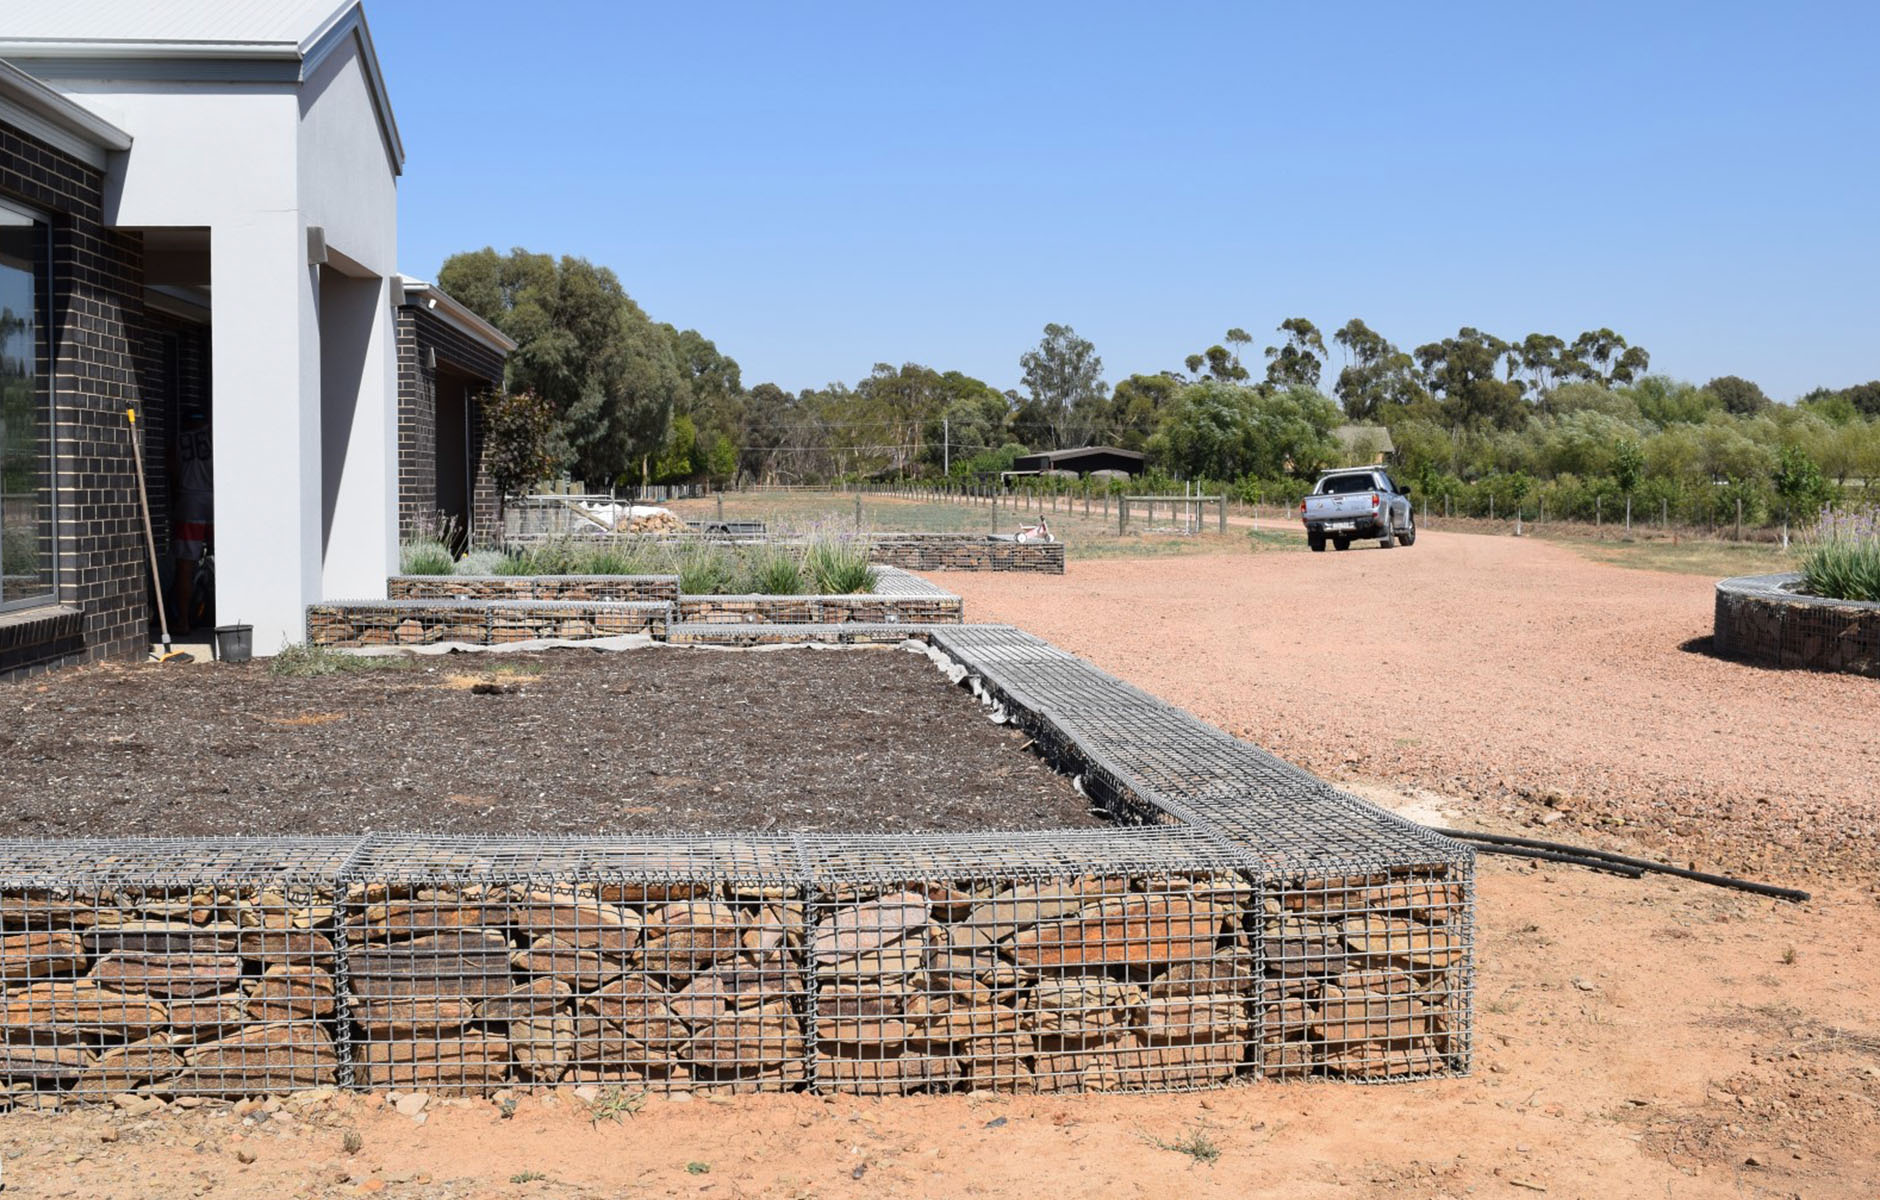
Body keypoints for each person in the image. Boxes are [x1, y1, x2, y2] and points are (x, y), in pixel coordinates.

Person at [171, 409, 212, 636]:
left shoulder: (179, 440)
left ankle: (184, 621)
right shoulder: (216, 435)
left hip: (190, 500)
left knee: (185, 563)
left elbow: (173, 472)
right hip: (216, 499)